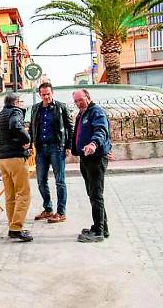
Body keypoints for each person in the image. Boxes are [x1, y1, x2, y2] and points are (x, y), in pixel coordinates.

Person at [0, 94, 33, 242]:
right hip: (15, 158)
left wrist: (3, 143)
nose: (24, 104)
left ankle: (12, 226)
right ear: (16, 103)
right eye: (22, 102)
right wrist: (26, 140)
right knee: (23, 193)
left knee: (10, 195)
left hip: (3, 159)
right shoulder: (16, 112)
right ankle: (16, 228)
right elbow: (15, 125)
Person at [71, 89, 111, 243]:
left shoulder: (96, 111)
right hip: (85, 158)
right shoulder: (82, 114)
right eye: (76, 101)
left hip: (95, 159)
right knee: (92, 194)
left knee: (96, 195)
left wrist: (94, 144)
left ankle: (99, 231)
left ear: (88, 97)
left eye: (80, 100)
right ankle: (101, 227)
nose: (78, 103)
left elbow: (102, 130)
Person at [29, 82, 73, 224]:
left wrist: (68, 146)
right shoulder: (35, 109)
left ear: (52, 93)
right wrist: (30, 145)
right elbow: (32, 128)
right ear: (39, 95)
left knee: (60, 181)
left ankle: (61, 212)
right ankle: (48, 209)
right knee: (41, 181)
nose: (46, 96)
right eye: (43, 94)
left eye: (48, 94)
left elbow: (70, 127)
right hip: (41, 149)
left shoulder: (61, 107)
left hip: (56, 148)